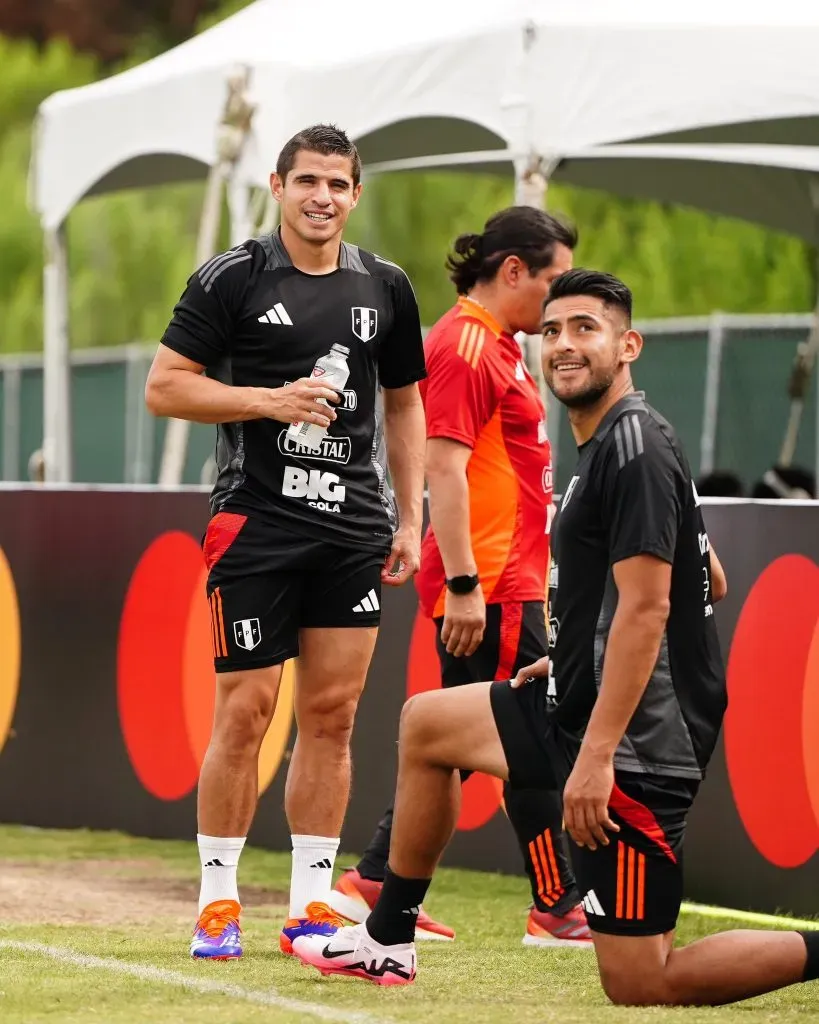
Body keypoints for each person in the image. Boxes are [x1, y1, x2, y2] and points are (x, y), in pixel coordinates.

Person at [293, 269, 819, 1006]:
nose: (563, 345)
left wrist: (599, 754)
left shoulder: (632, 447)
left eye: (584, 329)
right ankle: (387, 938)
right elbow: (712, 579)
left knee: (641, 982)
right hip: (587, 700)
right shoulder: (612, 444)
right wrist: (572, 653)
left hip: (637, 743)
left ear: (627, 345)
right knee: (427, 726)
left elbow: (647, 608)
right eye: (550, 331)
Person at [144, 123, 427, 961]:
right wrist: (268, 401)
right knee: (248, 713)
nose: (322, 198)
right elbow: (165, 387)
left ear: (356, 195)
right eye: (308, 181)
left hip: (352, 529)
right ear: (276, 185)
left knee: (332, 717)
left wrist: (409, 517)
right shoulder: (233, 275)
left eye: (338, 185)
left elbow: (406, 402)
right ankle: (219, 899)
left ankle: (309, 906)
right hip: (254, 527)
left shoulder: (386, 286)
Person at [330, 207, 591, 947]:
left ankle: (376, 879)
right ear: (512, 271)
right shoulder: (468, 342)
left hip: (507, 575)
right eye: (553, 281)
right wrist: (467, 584)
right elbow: (442, 465)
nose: (560, 301)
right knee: (522, 734)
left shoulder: (495, 342)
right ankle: (554, 903)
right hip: (492, 579)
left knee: (464, 735)